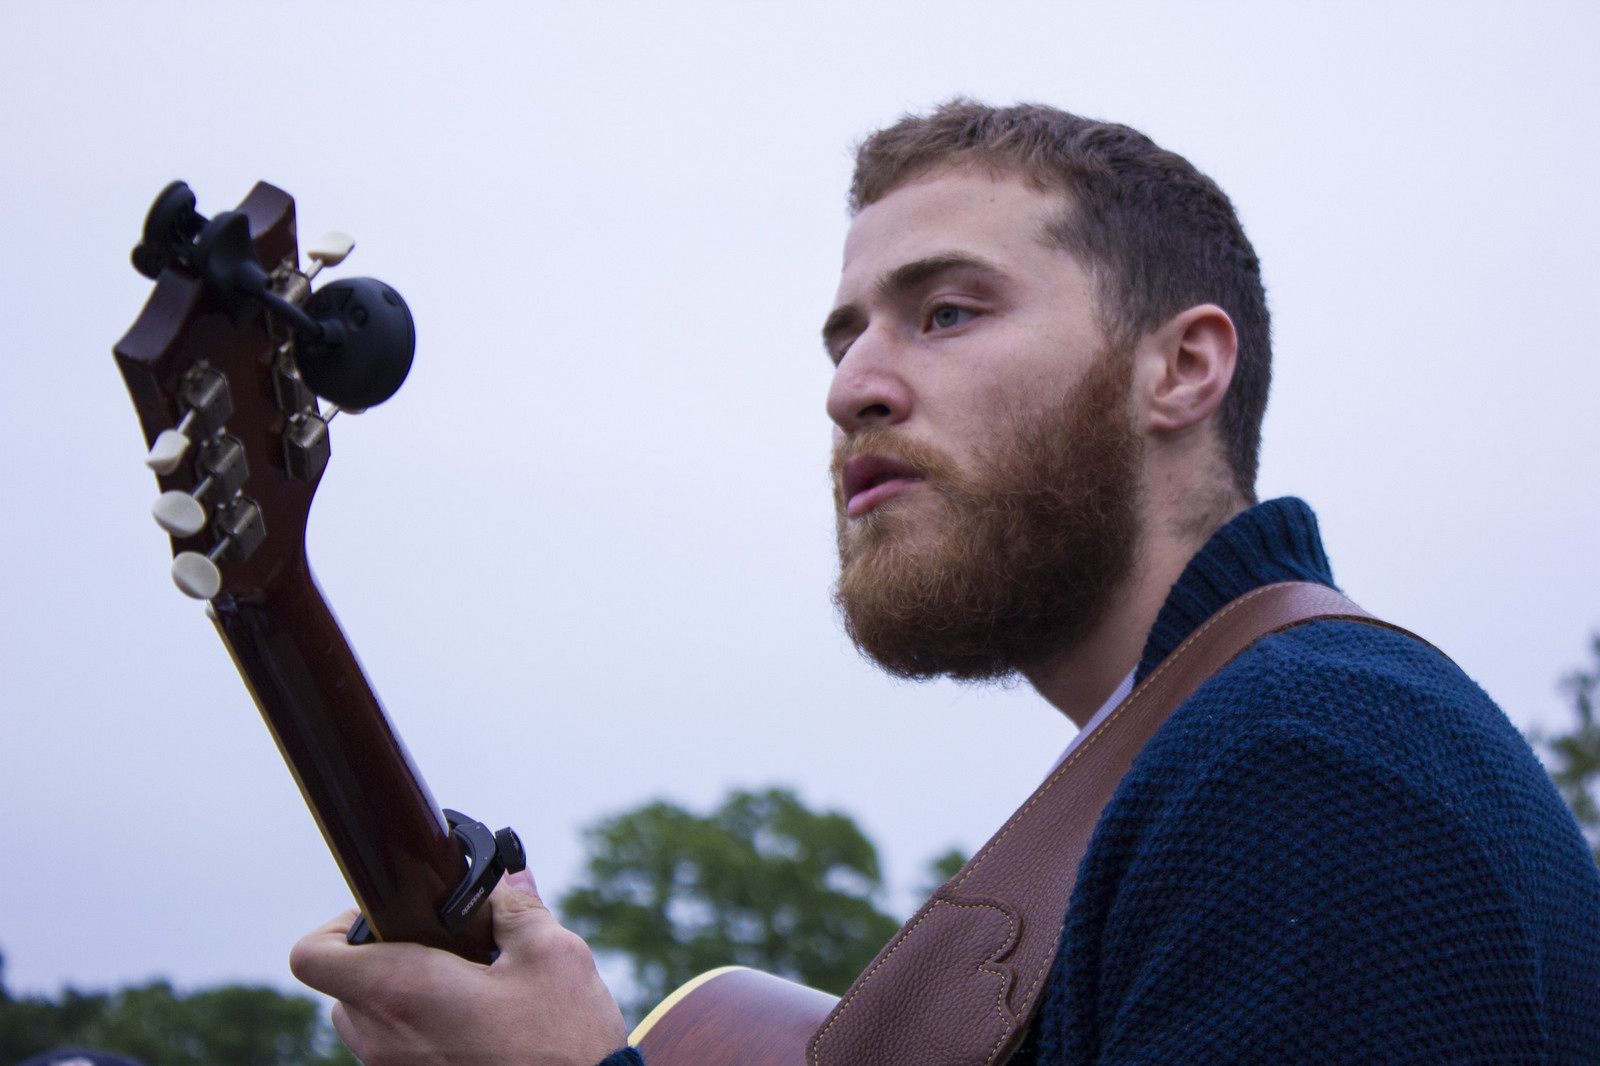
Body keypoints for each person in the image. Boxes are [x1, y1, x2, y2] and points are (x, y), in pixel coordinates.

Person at [290, 101, 1600, 1065]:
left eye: (947, 311)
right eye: (846, 331)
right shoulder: (1206, 767)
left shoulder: (1314, 764)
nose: (851, 382)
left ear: (1181, 369)